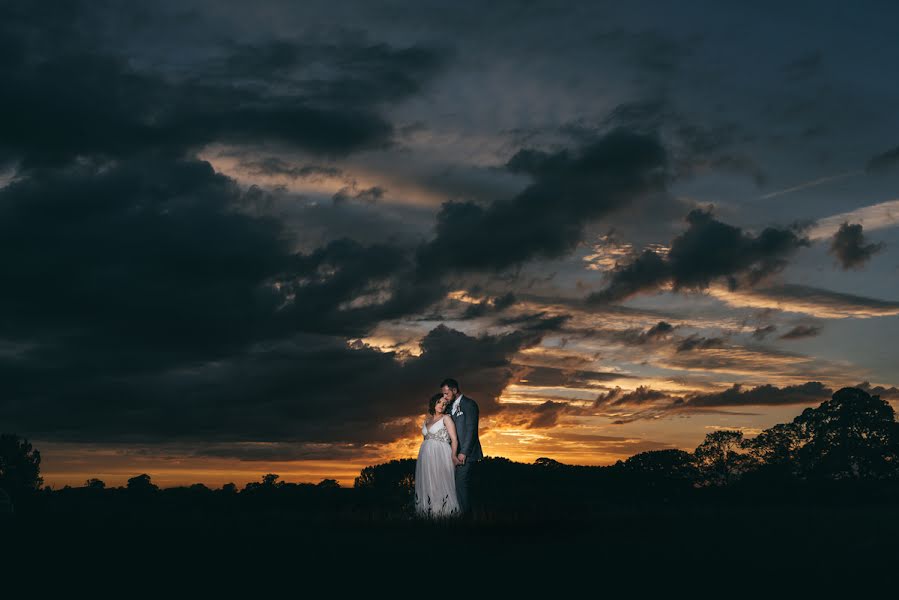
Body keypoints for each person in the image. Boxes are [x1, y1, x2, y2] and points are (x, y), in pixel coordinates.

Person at [413, 393, 461, 519]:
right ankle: (427, 513)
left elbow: (454, 439)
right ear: (434, 402)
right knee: (427, 482)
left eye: (445, 404)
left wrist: (454, 456)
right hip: (425, 455)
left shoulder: (446, 418)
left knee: (439, 482)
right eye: (439, 402)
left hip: (441, 453)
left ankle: (445, 515)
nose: (442, 405)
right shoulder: (426, 420)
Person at [441, 377, 483, 516]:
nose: (445, 397)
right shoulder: (449, 406)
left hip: (466, 454)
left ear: (454, 390)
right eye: (443, 394)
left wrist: (463, 453)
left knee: (461, 483)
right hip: (453, 452)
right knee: (453, 484)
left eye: (447, 393)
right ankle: (457, 513)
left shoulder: (469, 404)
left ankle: (466, 516)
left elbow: (471, 430)